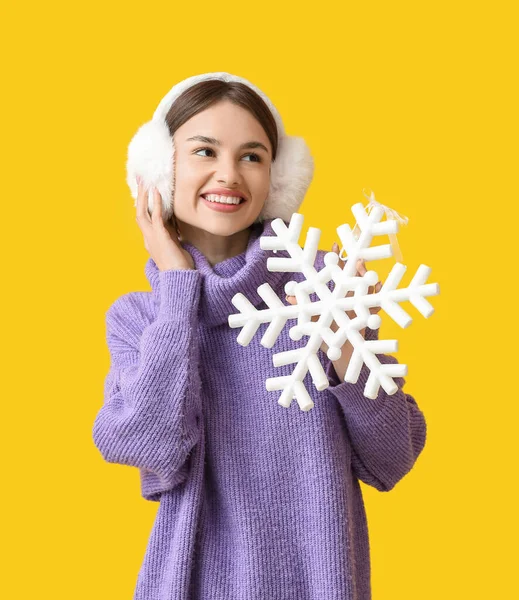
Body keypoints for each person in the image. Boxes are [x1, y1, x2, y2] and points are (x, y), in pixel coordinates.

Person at [92, 72, 427, 600]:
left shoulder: (325, 286)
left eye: (252, 156)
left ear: (279, 177)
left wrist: (344, 350)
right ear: (159, 170)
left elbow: (391, 460)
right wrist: (180, 289)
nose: (229, 175)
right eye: (205, 151)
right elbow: (147, 445)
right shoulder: (143, 317)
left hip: (323, 582)